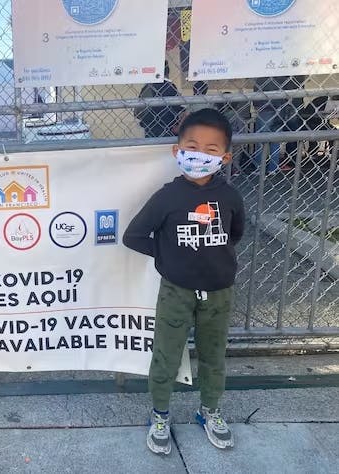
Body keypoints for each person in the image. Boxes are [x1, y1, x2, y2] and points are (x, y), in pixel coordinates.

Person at [123, 108, 245, 455]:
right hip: (176, 291)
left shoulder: (231, 197)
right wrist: (168, 257)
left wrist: (209, 257)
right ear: (177, 151)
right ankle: (160, 414)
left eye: (211, 150)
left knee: (213, 355)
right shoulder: (167, 197)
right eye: (192, 146)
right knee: (166, 353)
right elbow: (133, 235)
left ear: (225, 157)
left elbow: (234, 234)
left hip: (219, 291)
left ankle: (209, 411)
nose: (200, 155)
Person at [252, 76, 305, 173]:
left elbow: (256, 92)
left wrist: (256, 105)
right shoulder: (284, 76)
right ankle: (273, 168)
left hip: (265, 108)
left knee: (260, 140)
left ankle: (259, 167)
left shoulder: (261, 76)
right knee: (275, 141)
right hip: (280, 108)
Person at [135, 61, 183, 138]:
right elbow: (177, 107)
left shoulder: (148, 86)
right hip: (168, 124)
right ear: (167, 72)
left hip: (150, 124)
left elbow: (139, 110)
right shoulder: (170, 86)